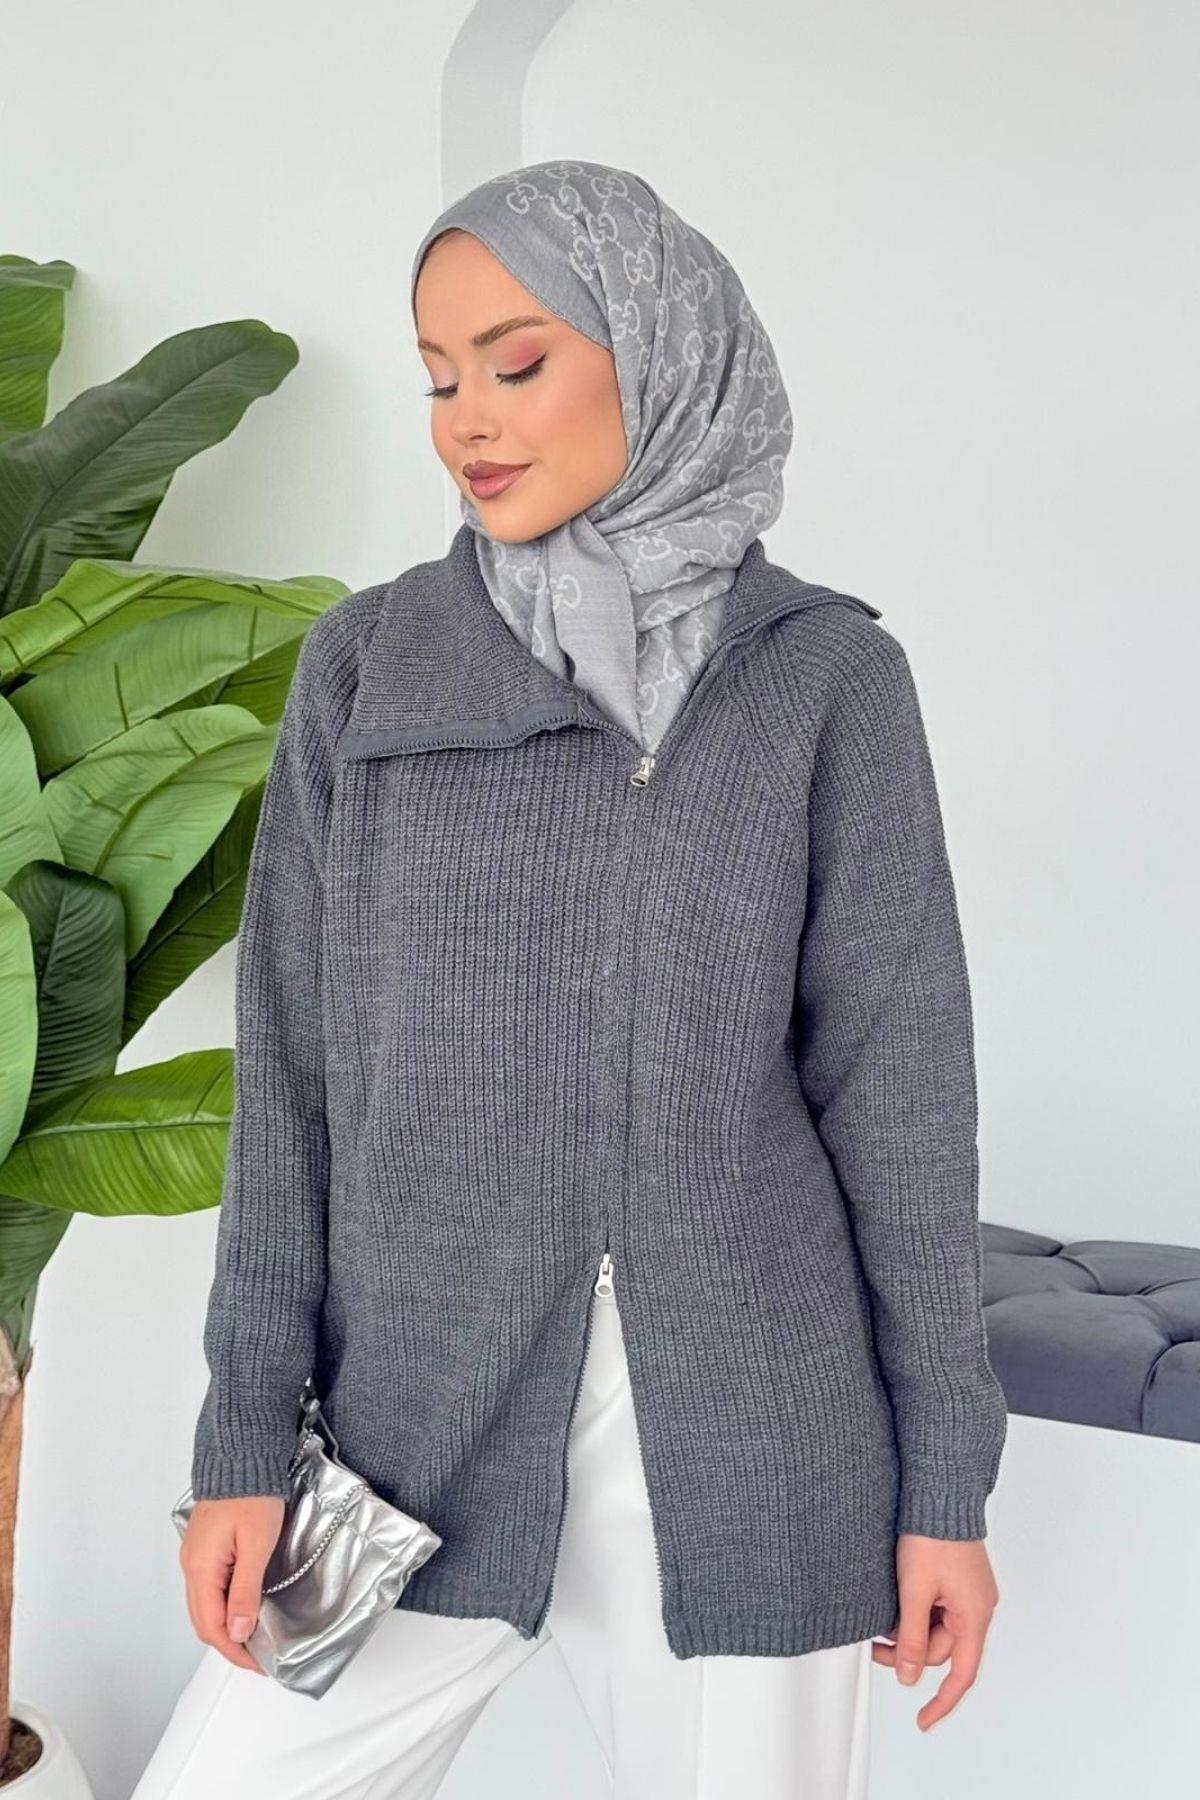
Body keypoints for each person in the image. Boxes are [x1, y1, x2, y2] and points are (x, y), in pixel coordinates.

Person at [133, 159, 1007, 1799]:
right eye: (439, 378)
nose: (470, 420)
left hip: (758, 1433)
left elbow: (902, 1098)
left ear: (660, 353)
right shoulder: (370, 665)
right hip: (409, 1431)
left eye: (517, 362)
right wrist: (244, 1438)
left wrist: (945, 1484)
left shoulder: (826, 678)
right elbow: (292, 1077)